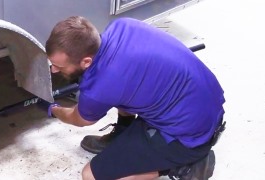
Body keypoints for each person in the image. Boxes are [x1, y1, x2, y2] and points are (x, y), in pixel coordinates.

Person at [41, 16, 225, 180]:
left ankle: (183, 166)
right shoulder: (122, 26)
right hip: (206, 101)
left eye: (58, 66)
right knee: (127, 87)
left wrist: (54, 109)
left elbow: (78, 118)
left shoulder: (100, 87)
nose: (53, 70)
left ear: (86, 61)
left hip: (189, 135)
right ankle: (121, 133)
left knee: (90, 175)